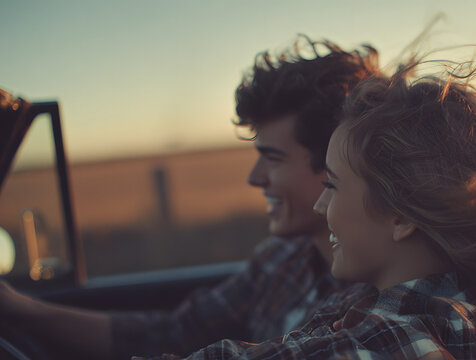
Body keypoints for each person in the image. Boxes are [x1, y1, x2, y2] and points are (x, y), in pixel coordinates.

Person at [133, 57, 476, 359]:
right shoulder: (383, 302)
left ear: (401, 216)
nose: (320, 202)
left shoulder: (409, 333)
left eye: (332, 185)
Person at [0, 36, 380, 359]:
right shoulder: (280, 259)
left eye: (273, 159)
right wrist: (22, 310)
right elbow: (177, 331)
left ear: (336, 163)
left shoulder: (378, 301)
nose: (254, 178)